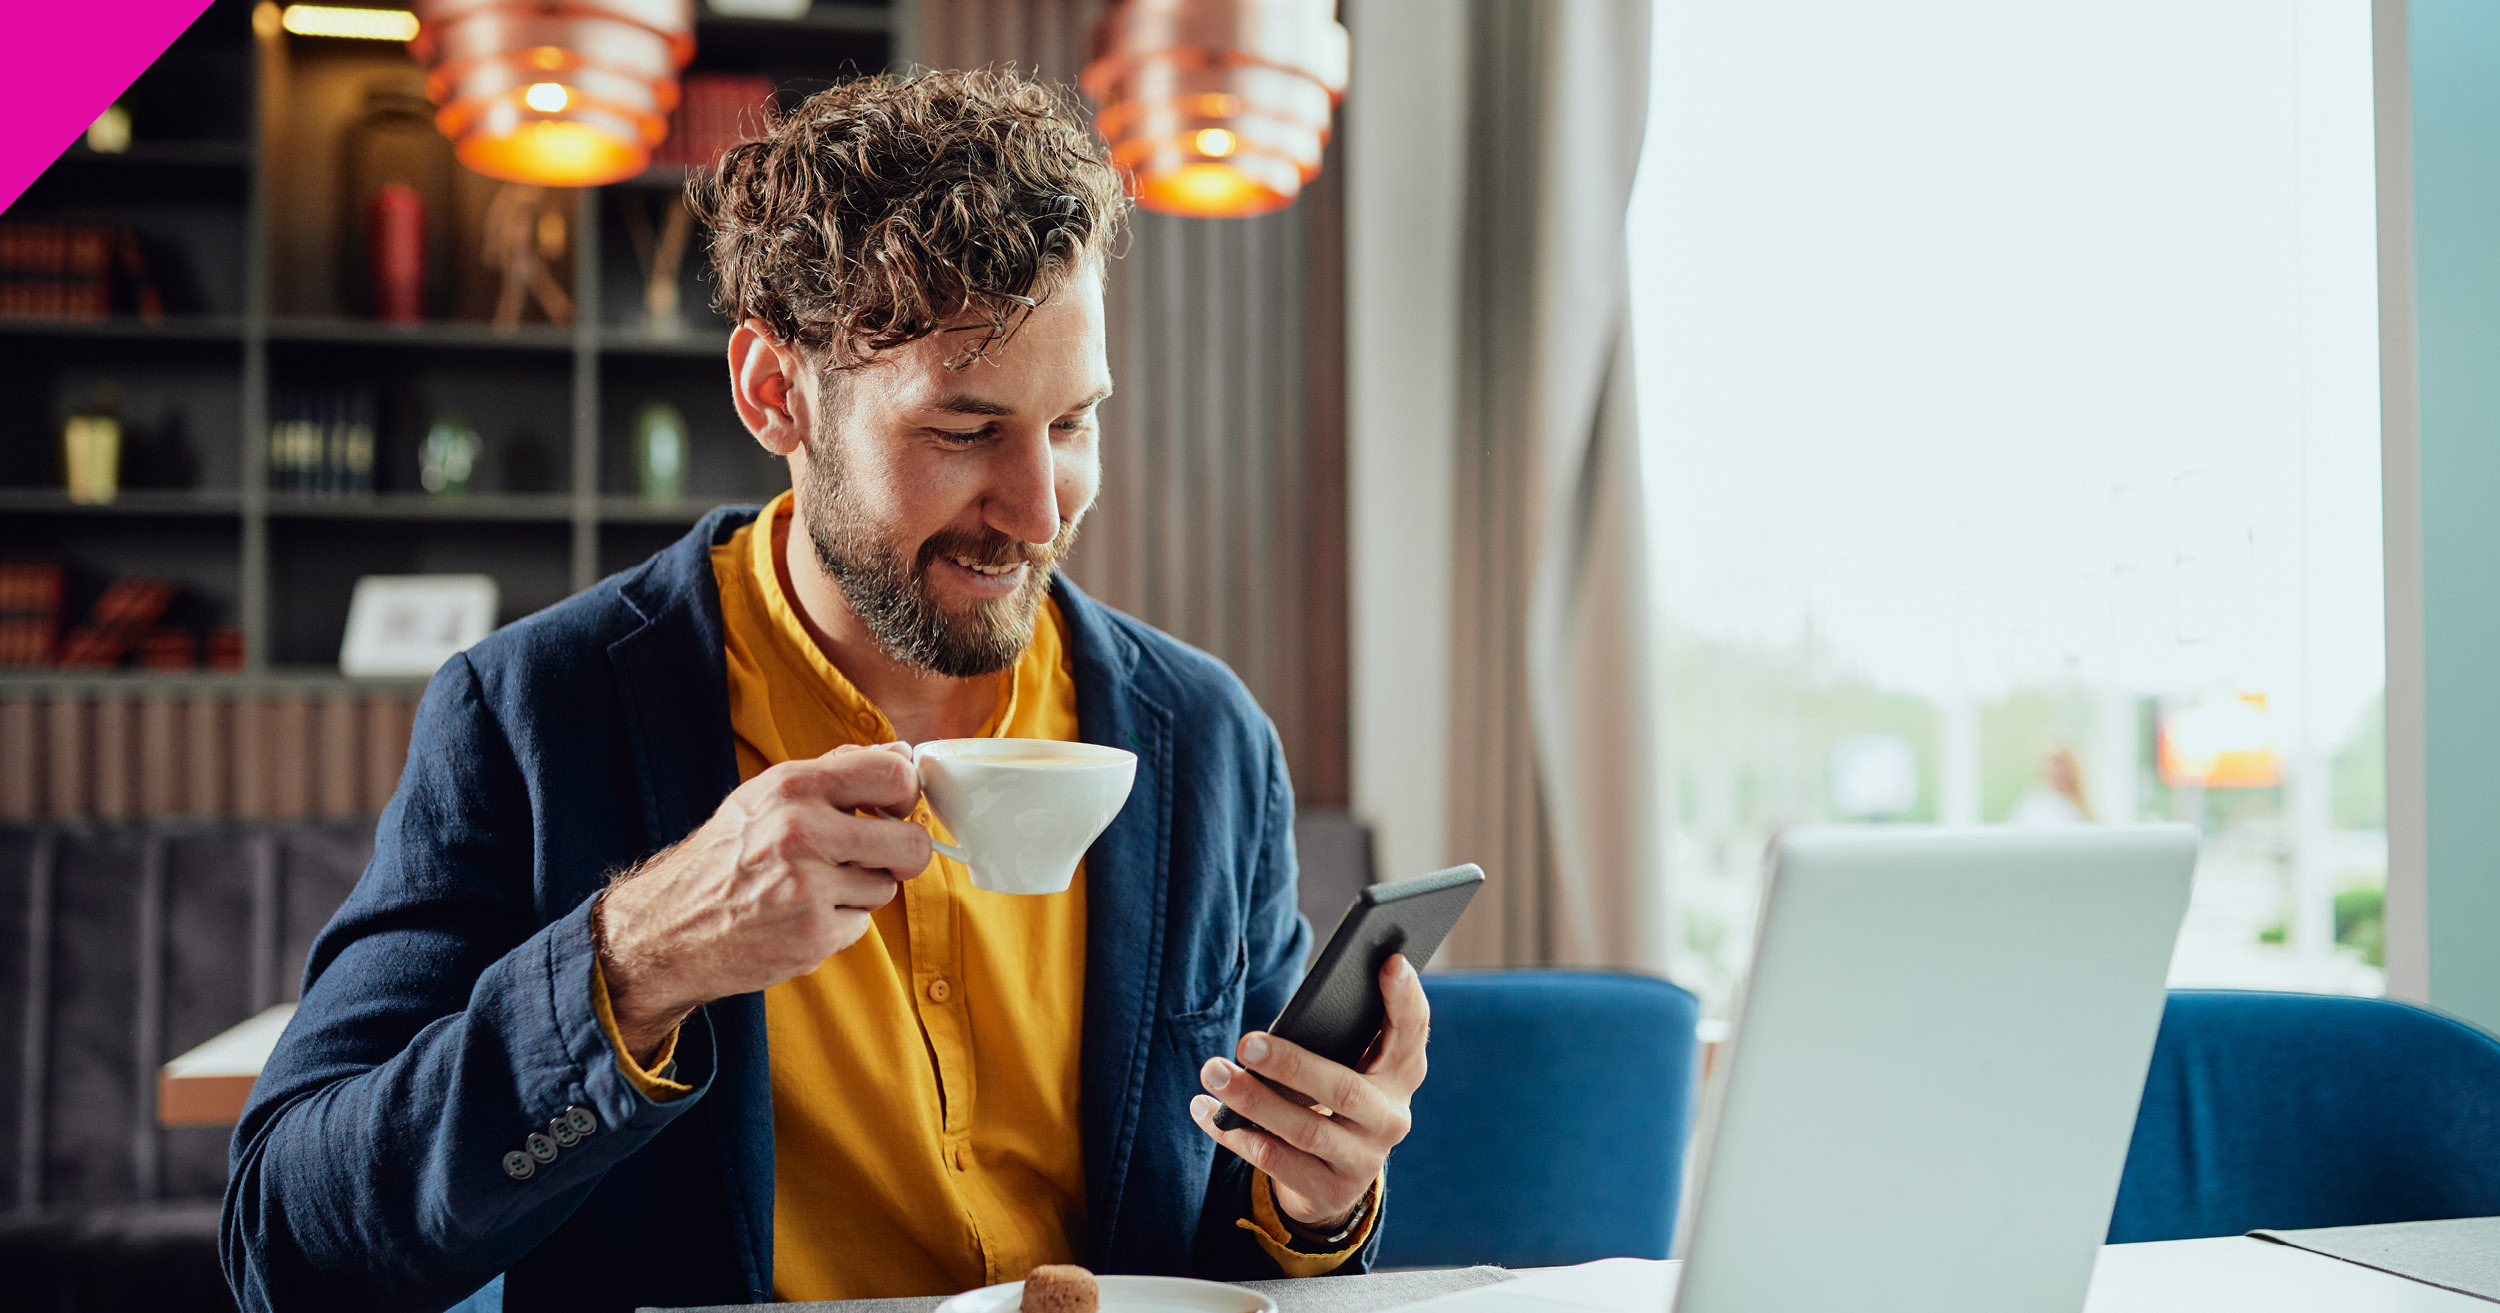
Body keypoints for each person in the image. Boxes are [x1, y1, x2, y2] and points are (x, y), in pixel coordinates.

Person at [222, 69, 1427, 1313]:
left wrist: (1316, 1195)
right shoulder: (533, 714)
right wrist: (633, 960)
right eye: (963, 432)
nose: (1040, 509)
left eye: (1073, 423)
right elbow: (287, 1246)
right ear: (772, 392)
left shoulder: (1207, 740)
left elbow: (1233, 1242)